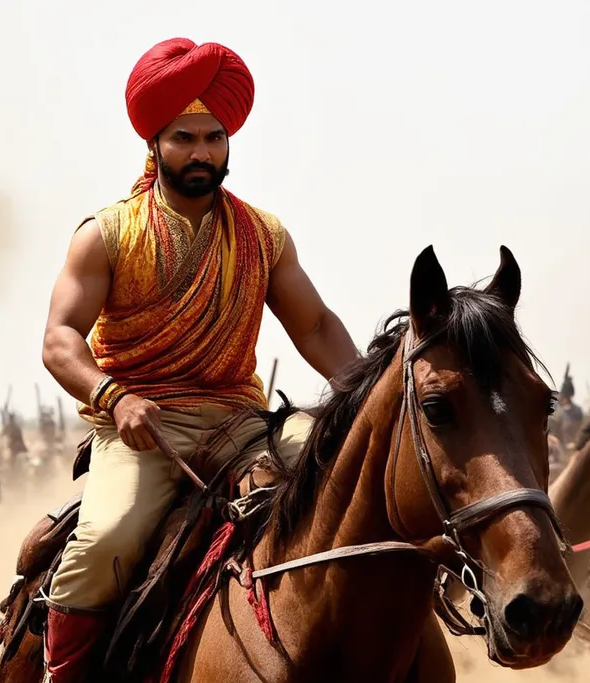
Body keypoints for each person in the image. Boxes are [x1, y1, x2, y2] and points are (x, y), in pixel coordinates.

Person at [39, 37, 359, 682]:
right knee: (108, 541)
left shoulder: (265, 235)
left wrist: (359, 395)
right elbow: (59, 340)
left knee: (351, 474)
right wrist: (114, 398)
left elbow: (318, 325)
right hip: (142, 428)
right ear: (154, 143)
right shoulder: (106, 233)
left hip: (242, 423)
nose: (201, 152)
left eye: (213, 137)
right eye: (184, 138)